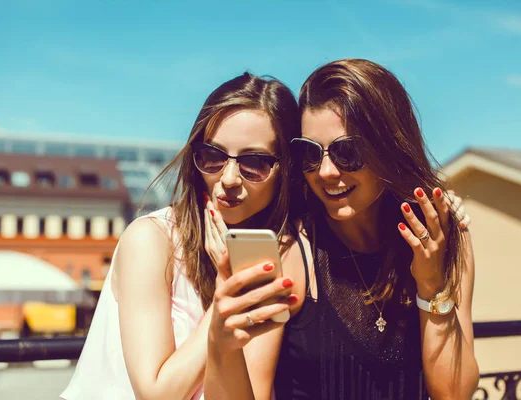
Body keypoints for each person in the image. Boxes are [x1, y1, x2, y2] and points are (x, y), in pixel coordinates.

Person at [205, 59, 479, 399]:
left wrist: (430, 286)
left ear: (390, 146)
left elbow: (455, 394)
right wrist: (220, 343)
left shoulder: (444, 240)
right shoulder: (291, 251)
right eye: (309, 153)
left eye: (346, 151)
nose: (325, 172)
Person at [60, 72, 304, 400]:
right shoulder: (151, 240)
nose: (229, 177)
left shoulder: (276, 254)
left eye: (254, 163)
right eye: (213, 157)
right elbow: (157, 393)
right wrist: (225, 302)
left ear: (285, 169)